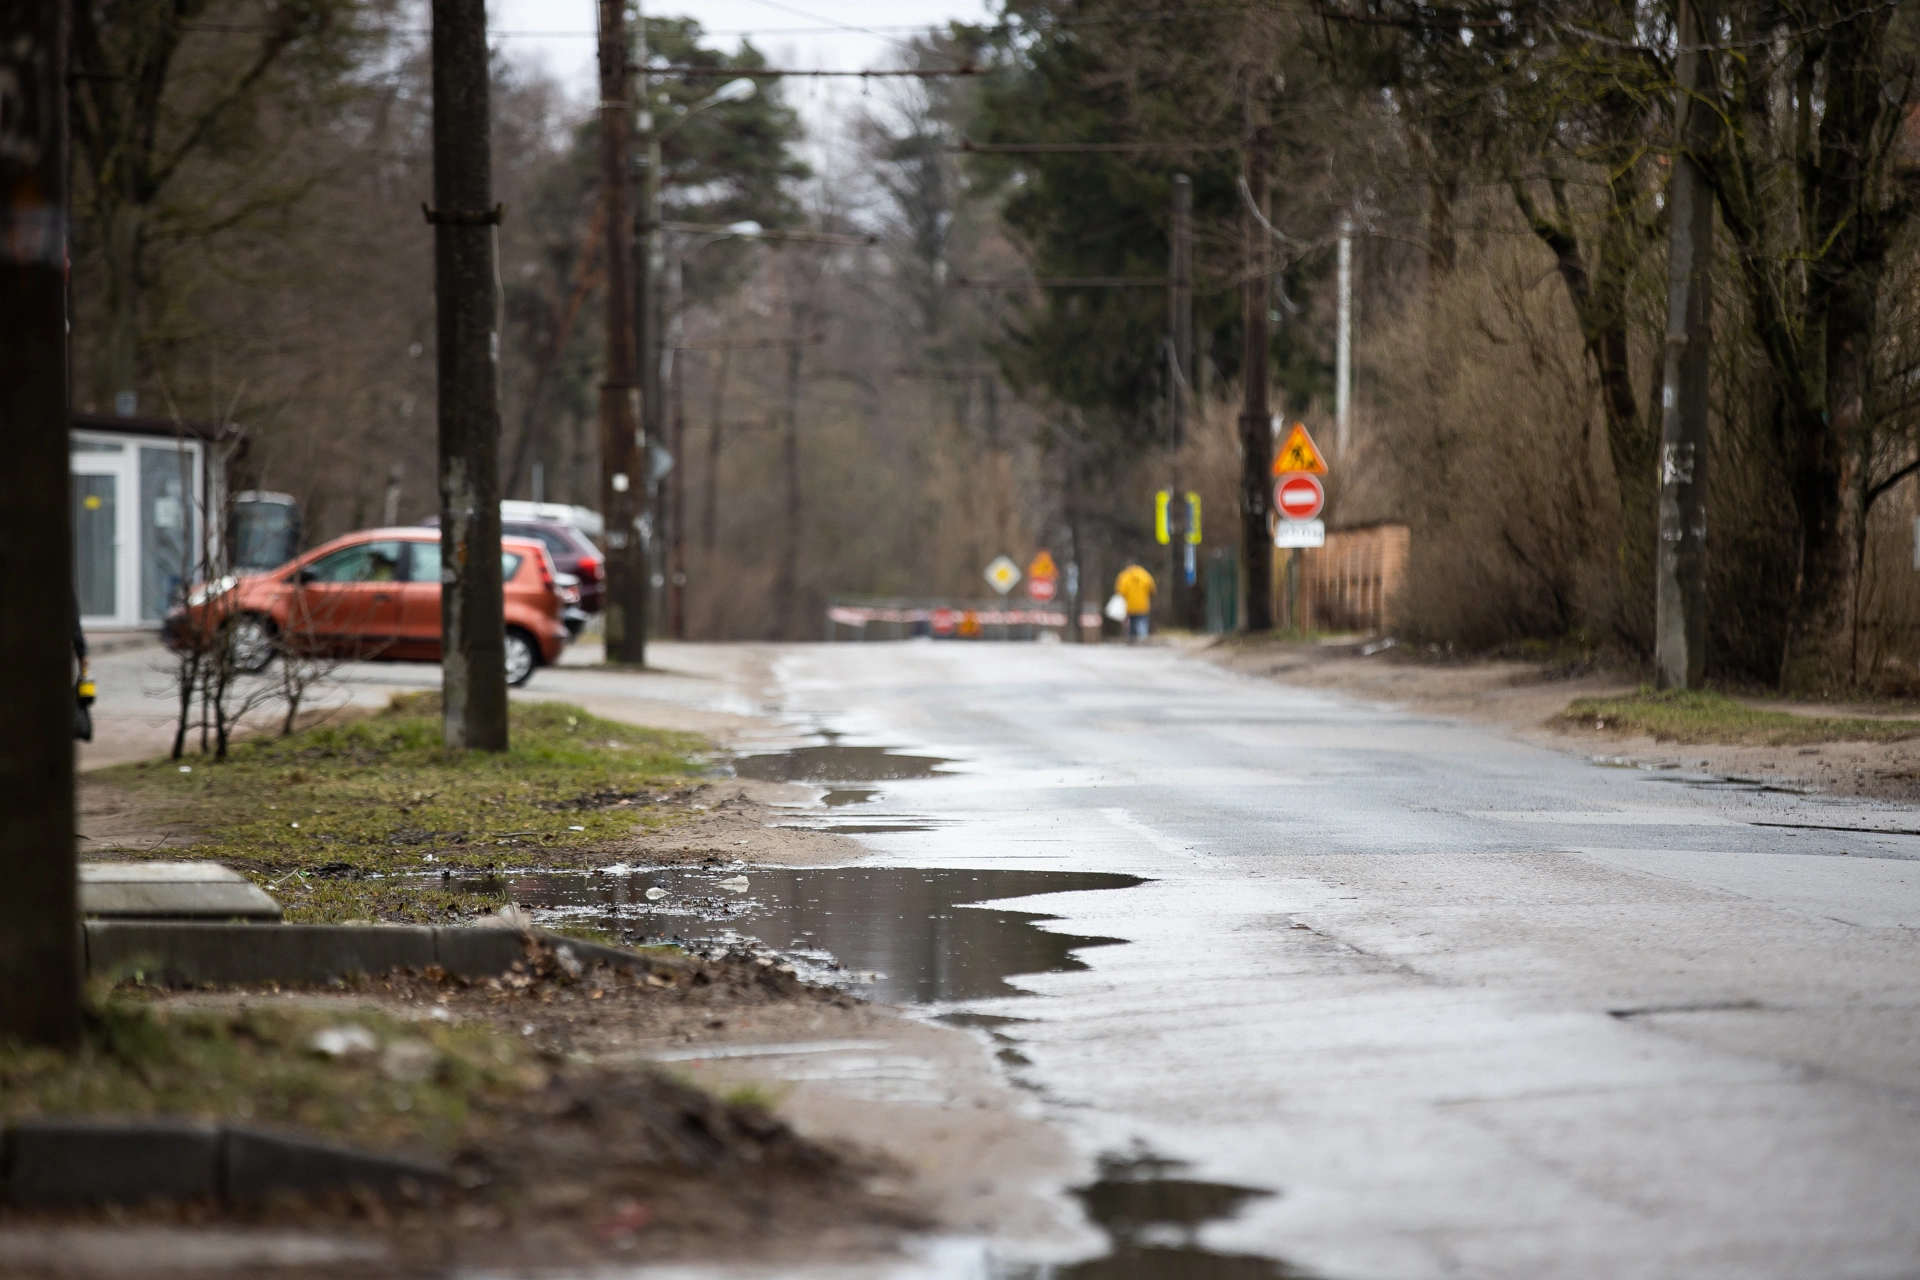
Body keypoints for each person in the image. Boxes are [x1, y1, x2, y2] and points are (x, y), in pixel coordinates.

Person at [1115, 563, 1156, 642]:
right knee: (1142, 623)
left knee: (1130, 624)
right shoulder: (1145, 575)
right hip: (1143, 605)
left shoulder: (1124, 576)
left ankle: (1132, 640)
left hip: (1129, 606)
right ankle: (1143, 639)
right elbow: (1152, 589)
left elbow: (1120, 591)